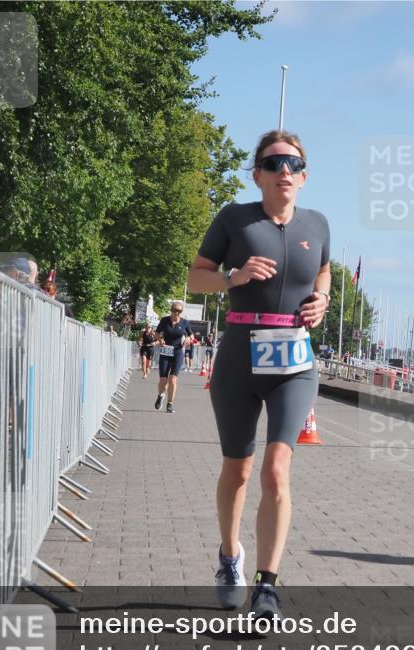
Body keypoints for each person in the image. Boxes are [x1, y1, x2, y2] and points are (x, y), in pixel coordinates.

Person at [186, 130, 331, 619]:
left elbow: (324, 270)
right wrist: (233, 277)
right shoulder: (235, 219)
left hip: (294, 361)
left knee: (276, 469)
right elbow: (195, 276)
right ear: (258, 175)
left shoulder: (317, 223)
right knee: (239, 468)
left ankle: (268, 585)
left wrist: (323, 299)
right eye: (273, 164)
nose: (283, 170)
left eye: (293, 163)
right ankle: (230, 558)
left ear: (304, 176)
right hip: (239, 358)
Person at [154, 302, 193, 413]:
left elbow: (191, 334)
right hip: (166, 351)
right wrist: (160, 340)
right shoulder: (164, 320)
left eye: (179, 311)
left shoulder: (185, 322)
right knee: (163, 380)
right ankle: (160, 396)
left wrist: (188, 338)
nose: (177, 313)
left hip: (177, 352)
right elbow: (156, 333)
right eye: (175, 310)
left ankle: (170, 404)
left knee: (173, 380)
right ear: (171, 310)